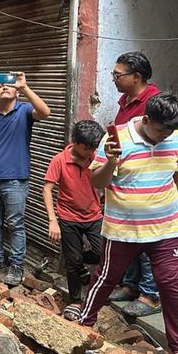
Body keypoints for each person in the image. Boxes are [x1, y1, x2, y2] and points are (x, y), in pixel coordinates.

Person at [79, 93, 178, 352]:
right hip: (123, 229)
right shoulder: (116, 138)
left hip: (167, 228)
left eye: (170, 131)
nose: (165, 136)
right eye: (160, 130)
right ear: (146, 119)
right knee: (106, 278)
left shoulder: (173, 136)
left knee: (171, 285)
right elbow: (97, 183)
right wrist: (111, 161)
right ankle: (84, 323)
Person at [0, 71, 51, 286]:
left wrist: (25, 87)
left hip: (15, 180)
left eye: (9, 86)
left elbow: (45, 112)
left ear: (16, 92)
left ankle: (16, 265)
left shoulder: (24, 111)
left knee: (15, 224)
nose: (4, 88)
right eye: (0, 86)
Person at [108, 51, 163, 317]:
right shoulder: (125, 100)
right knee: (128, 236)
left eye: (118, 75)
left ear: (136, 77)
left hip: (148, 183)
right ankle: (130, 285)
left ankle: (150, 294)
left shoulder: (155, 103)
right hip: (124, 180)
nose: (114, 79)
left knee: (147, 240)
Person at [43, 120, 105, 321]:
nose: (89, 152)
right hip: (68, 217)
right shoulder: (59, 160)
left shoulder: (95, 158)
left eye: (93, 148)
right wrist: (53, 220)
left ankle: (76, 262)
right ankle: (75, 301)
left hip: (94, 215)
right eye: (86, 147)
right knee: (73, 262)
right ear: (75, 142)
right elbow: (47, 189)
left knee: (101, 253)